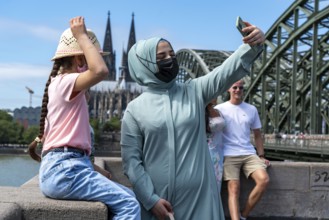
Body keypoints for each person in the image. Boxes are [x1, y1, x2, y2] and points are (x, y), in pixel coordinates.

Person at [120, 20, 265, 220]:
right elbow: (131, 162)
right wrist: (150, 200)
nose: (170, 59)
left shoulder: (195, 91)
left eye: (171, 54)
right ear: (145, 64)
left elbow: (224, 73)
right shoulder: (134, 110)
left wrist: (251, 46)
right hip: (158, 207)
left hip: (200, 202)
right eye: (161, 57)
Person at [27, 16, 140, 220]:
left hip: (65, 168)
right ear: (80, 59)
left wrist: (95, 168)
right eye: (93, 57)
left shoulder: (60, 87)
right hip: (66, 170)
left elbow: (64, 143)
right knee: (129, 205)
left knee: (129, 196)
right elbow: (101, 71)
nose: (96, 62)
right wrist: (81, 36)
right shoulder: (65, 83)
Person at [215, 79, 270, 220]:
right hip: (228, 154)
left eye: (241, 88)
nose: (238, 90)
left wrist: (261, 155)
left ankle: (244, 215)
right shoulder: (220, 109)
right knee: (234, 188)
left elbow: (257, 135)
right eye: (235, 87)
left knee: (263, 180)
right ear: (229, 89)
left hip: (248, 153)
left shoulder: (251, 109)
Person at [205, 98, 226, 192]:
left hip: (219, 152)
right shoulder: (201, 111)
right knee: (209, 184)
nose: (216, 97)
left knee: (217, 182)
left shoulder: (218, 111)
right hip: (207, 152)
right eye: (214, 95)